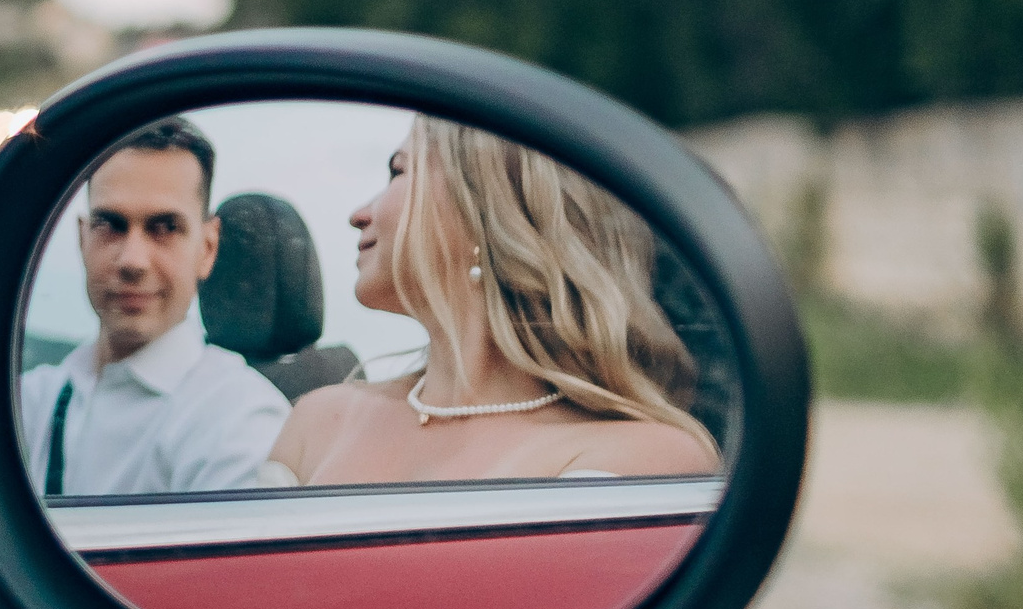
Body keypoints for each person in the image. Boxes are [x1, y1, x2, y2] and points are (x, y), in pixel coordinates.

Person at [268, 114, 720, 486]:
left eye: (399, 171)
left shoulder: (644, 455)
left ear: (482, 210)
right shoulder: (316, 421)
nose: (357, 214)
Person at [20, 117, 290, 496]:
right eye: (110, 224)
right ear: (83, 238)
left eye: (164, 228)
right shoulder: (32, 400)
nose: (133, 261)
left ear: (207, 248)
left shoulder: (238, 421)